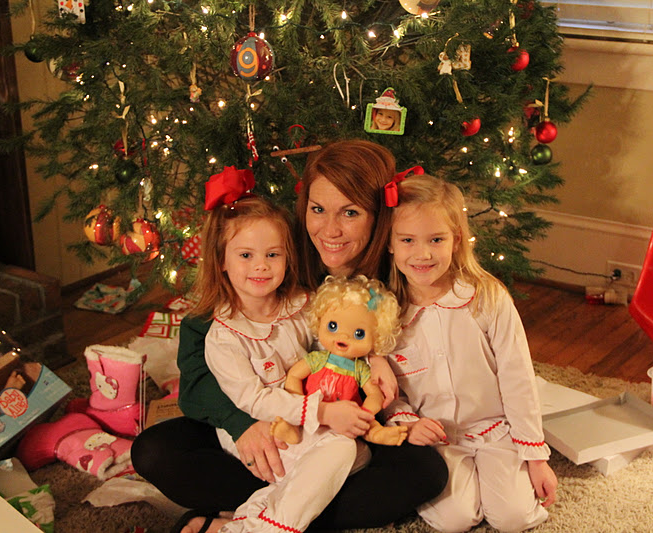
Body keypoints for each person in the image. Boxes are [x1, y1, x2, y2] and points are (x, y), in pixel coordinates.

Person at [131, 141, 448, 533]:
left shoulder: (405, 260)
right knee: (153, 451)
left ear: (378, 215)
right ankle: (288, 510)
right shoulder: (272, 247)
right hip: (271, 420)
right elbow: (198, 381)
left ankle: (254, 515)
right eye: (318, 209)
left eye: (350, 212)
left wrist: (373, 356)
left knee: (425, 471)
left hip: (341, 421)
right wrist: (242, 426)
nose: (330, 230)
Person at [382, 173, 558, 532]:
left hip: (496, 430)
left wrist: (535, 457)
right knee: (454, 520)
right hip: (438, 439)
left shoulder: (486, 297)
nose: (423, 254)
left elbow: (517, 377)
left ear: (456, 240)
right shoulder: (385, 311)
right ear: (390, 243)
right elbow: (387, 391)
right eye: (408, 240)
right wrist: (407, 423)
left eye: (436, 239)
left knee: (513, 518)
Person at [196, 188, 373, 533]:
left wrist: (367, 366)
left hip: (303, 416)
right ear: (221, 261)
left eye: (273, 254)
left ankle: (248, 520)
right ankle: (275, 528)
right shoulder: (224, 336)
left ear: (287, 257)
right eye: (245, 255)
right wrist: (323, 413)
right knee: (341, 452)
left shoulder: (300, 305)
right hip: (260, 425)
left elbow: (332, 345)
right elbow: (254, 400)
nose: (261, 265)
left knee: (360, 455)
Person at [271, 275, 407, 447]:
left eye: (359, 334)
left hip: (347, 421)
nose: (343, 336)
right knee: (293, 418)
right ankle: (291, 429)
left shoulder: (360, 369)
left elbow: (375, 395)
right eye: (333, 326)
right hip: (313, 412)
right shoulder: (317, 359)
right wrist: (301, 403)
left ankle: (377, 433)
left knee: (366, 424)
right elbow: (294, 376)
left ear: (377, 337)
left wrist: (363, 413)